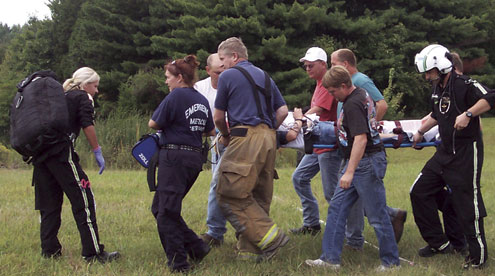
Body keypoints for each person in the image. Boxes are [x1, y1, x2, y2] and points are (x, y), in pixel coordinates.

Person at [305, 65, 400, 271]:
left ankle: (391, 263)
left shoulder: (353, 104)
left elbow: (361, 139)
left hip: (365, 163)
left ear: (343, 85)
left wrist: (349, 171)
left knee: (377, 216)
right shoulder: (359, 94)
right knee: (337, 210)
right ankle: (330, 260)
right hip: (358, 162)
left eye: (333, 92)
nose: (332, 96)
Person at [411, 44, 494, 269]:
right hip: (444, 152)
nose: (427, 76)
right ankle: (439, 242)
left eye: (430, 72)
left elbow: (490, 97)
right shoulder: (438, 88)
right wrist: (419, 132)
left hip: (466, 153)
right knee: (419, 191)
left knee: (468, 203)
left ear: (441, 66)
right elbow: (437, 114)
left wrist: (468, 114)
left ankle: (478, 258)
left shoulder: (463, 84)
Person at [33, 67, 119, 263]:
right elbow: (87, 124)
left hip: (41, 156)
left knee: (49, 205)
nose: (96, 91)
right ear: (85, 84)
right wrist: (97, 150)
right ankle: (93, 253)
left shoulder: (59, 96)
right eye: (95, 86)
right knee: (84, 200)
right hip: (62, 155)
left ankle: (50, 251)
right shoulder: (82, 97)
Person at [214, 37, 289, 261]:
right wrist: (268, 131)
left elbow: (218, 116)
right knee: (257, 194)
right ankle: (249, 251)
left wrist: (226, 136)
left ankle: (271, 237)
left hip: (244, 136)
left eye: (223, 59)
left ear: (234, 57)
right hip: (269, 138)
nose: (221, 65)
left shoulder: (228, 76)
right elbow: (283, 111)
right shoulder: (265, 76)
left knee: (229, 192)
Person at [330, 48, 407, 246]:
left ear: (345, 65)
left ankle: (389, 259)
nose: (331, 67)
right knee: (339, 206)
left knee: (376, 213)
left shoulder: (360, 83)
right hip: (356, 153)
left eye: (333, 64)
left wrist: (367, 127)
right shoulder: (350, 94)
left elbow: (381, 105)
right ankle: (334, 254)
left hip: (365, 157)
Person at [149, 55, 215, 273]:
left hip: (174, 158)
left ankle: (179, 263)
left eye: (168, 77)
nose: (166, 81)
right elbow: (209, 130)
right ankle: (196, 247)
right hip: (194, 159)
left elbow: (154, 123)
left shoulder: (176, 95)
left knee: (166, 211)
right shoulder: (201, 99)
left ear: (179, 77)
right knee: (160, 207)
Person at [290, 47, 341, 236]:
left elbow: (318, 110)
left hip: (328, 144)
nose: (307, 69)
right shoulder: (320, 83)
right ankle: (312, 224)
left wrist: (298, 118)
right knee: (299, 178)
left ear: (323, 64)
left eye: (311, 65)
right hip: (318, 142)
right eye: (305, 66)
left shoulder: (328, 82)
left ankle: (387, 214)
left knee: (333, 193)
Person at [193, 53, 227, 246]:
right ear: (208, 71)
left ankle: (215, 231)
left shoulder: (232, 86)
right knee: (218, 185)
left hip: (232, 141)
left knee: (218, 184)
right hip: (215, 141)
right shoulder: (200, 89)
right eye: (217, 72)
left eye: (225, 71)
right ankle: (216, 231)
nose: (222, 76)